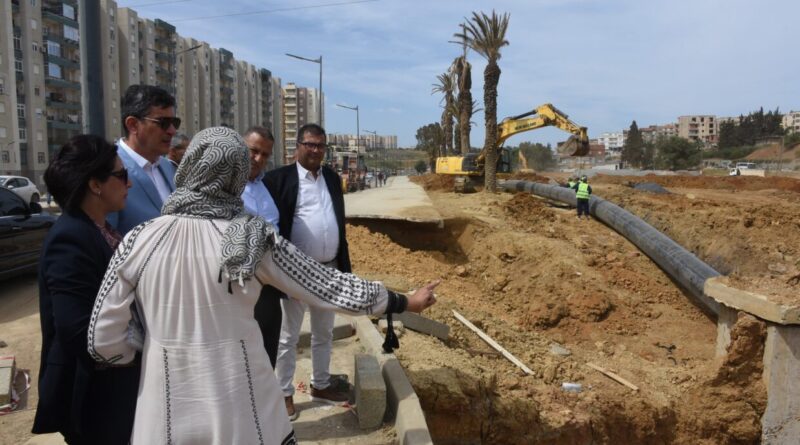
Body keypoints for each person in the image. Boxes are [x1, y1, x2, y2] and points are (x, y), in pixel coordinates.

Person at [87, 127, 438, 445]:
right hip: (243, 410)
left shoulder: (138, 240)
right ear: (238, 176)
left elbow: (102, 341)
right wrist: (403, 301)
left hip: (161, 416)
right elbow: (330, 287)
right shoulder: (251, 238)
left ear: (189, 167)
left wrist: (154, 349)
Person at [32, 135, 138, 444]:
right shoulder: (71, 238)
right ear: (95, 184)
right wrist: (141, 341)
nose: (128, 184)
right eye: (122, 175)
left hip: (114, 387)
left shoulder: (101, 229)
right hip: (94, 396)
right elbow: (78, 330)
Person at [265, 123, 350, 420]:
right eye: (310, 144)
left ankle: (321, 383)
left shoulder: (331, 177)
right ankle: (284, 392)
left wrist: (343, 268)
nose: (315, 150)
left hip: (328, 272)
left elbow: (338, 223)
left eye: (320, 146)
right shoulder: (278, 180)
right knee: (288, 336)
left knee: (324, 332)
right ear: (297, 146)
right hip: (295, 274)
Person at [108, 84, 179, 235]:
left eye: (175, 123)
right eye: (163, 123)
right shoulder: (108, 170)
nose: (172, 130)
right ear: (133, 125)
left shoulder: (168, 168)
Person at [241, 126, 283, 368]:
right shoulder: (226, 188)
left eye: (265, 155)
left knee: (268, 358)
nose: (259, 159)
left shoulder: (269, 186)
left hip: (270, 287)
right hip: (240, 286)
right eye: (253, 151)